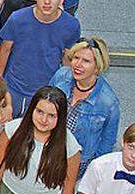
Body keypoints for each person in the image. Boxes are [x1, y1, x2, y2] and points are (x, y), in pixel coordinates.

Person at [0, 0, 80, 117]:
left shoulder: (71, 25)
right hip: (13, 88)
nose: (47, 1)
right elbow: (4, 50)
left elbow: (67, 60)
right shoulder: (18, 18)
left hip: (45, 92)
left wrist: (63, 91)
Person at [50, 38, 120, 178]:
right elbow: (43, 103)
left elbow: (107, 143)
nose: (78, 64)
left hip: (76, 161)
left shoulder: (108, 103)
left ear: (97, 67)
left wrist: (93, 172)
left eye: (86, 61)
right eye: (76, 57)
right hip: (49, 148)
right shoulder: (61, 76)